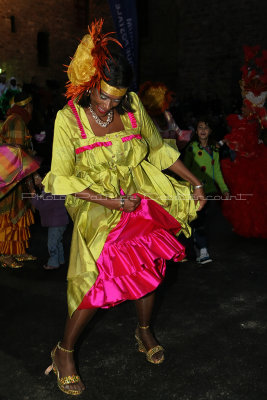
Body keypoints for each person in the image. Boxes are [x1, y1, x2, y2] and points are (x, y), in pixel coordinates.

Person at [43, 20, 206, 396]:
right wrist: (111, 201)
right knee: (102, 270)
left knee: (148, 264)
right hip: (92, 202)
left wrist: (195, 182)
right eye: (103, 97)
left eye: (116, 98)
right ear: (88, 85)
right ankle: (64, 351)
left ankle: (144, 330)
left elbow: (158, 150)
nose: (110, 105)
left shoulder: (131, 107)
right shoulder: (69, 119)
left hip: (136, 193)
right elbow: (63, 179)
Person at [220, 45, 267, 238]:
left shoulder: (258, 117)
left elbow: (244, 139)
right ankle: (247, 226)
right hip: (245, 163)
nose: (244, 109)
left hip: (254, 163)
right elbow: (235, 139)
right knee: (245, 196)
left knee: (255, 197)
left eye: (246, 107)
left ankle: (255, 226)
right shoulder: (244, 121)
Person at [183, 117, 229, 264]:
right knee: (199, 221)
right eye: (200, 127)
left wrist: (224, 189)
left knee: (203, 221)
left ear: (210, 131)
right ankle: (202, 251)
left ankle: (197, 246)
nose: (203, 130)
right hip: (196, 191)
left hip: (210, 191)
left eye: (206, 128)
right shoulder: (191, 148)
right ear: (196, 131)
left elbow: (217, 171)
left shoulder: (214, 149)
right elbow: (184, 170)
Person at [0, 91, 39, 268]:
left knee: (19, 213)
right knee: (9, 215)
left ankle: (17, 251)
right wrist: (34, 175)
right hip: (11, 178)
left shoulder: (17, 120)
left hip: (17, 177)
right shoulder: (16, 121)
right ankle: (5, 254)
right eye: (32, 106)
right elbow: (18, 153)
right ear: (27, 106)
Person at [139, 81, 193, 151]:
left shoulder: (168, 115)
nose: (170, 102)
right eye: (165, 100)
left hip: (173, 156)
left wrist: (191, 133)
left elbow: (178, 133)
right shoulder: (147, 120)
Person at [30, 170, 69, 270]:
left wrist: (33, 196)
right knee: (57, 241)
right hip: (59, 222)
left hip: (56, 223)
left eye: (39, 178)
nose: (37, 180)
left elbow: (41, 205)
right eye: (35, 179)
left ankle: (53, 263)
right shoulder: (51, 190)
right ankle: (60, 260)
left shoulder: (53, 192)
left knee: (52, 243)